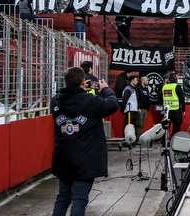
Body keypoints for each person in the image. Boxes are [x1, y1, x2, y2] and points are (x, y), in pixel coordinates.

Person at [51, 66, 119, 216]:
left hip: (63, 159)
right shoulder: (91, 101)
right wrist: (106, 89)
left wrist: (80, 90)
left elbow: (72, 99)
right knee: (79, 200)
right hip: (84, 161)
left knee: (62, 198)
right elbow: (113, 104)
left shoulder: (55, 102)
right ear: (83, 82)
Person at [162, 72, 185, 136]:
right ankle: (173, 141)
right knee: (176, 126)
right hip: (176, 110)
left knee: (166, 126)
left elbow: (161, 98)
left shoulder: (164, 87)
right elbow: (182, 99)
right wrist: (183, 109)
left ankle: (164, 142)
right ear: (175, 79)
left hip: (166, 110)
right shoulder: (177, 87)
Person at [121, 74, 141, 142]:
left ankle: (131, 139)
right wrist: (122, 109)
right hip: (129, 110)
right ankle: (127, 140)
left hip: (133, 110)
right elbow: (125, 100)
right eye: (136, 80)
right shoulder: (128, 89)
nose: (137, 82)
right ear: (132, 81)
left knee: (131, 125)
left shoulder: (133, 89)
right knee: (128, 126)